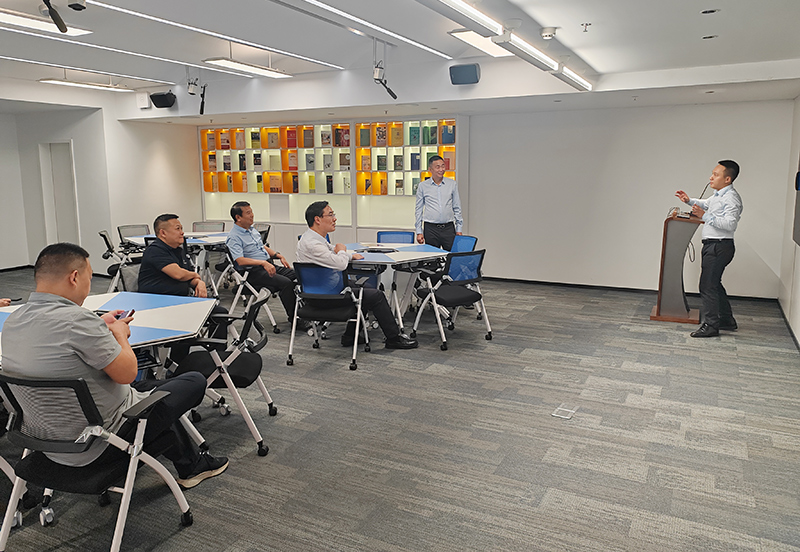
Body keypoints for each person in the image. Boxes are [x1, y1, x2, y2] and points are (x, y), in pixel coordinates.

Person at [0, 243, 228, 489]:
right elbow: (128, 373)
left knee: (151, 392)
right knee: (191, 381)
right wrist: (119, 333)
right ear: (74, 277)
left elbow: (57, 346)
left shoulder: (13, 320)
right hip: (98, 442)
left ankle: (192, 465)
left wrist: (99, 324)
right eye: (89, 278)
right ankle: (192, 465)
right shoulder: (79, 321)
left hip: (46, 441)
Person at [297, 201, 418, 349]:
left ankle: (350, 336)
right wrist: (343, 251)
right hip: (326, 295)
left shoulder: (311, 238)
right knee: (376, 296)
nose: (335, 218)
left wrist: (346, 254)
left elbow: (333, 252)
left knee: (364, 289)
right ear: (317, 219)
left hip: (321, 290)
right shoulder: (313, 244)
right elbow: (340, 263)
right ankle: (393, 338)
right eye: (331, 215)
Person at [138, 214, 228, 361]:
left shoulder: (178, 250)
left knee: (220, 314)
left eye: (181, 228)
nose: (182, 232)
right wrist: (196, 276)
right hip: (159, 305)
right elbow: (178, 274)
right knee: (189, 321)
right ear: (163, 233)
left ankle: (216, 358)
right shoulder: (155, 250)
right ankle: (178, 364)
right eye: (178, 229)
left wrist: (198, 282)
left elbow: (188, 276)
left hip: (179, 302)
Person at [676, 160, 743, 338]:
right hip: (714, 246)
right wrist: (689, 201)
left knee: (707, 286)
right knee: (714, 284)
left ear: (727, 179)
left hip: (719, 246)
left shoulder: (731, 198)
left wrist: (705, 216)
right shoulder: (718, 196)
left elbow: (730, 224)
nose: (711, 177)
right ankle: (727, 320)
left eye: (715, 174)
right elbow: (706, 204)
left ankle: (711, 325)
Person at [226, 201, 311, 331]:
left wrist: (278, 255)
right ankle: (296, 319)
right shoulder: (234, 237)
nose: (252, 215)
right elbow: (240, 260)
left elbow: (262, 247)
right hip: (253, 272)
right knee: (286, 283)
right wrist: (263, 262)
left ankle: (310, 311)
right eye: (248, 213)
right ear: (238, 217)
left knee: (299, 275)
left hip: (267, 265)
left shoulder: (252, 230)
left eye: (251, 211)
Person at [415, 155, 463, 250]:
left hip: (448, 228)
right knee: (432, 257)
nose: (441, 169)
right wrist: (419, 231)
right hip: (430, 229)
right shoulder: (423, 186)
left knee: (452, 256)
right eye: (437, 167)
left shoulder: (452, 184)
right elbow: (418, 210)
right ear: (430, 169)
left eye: (443, 166)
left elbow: (457, 207)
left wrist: (459, 228)